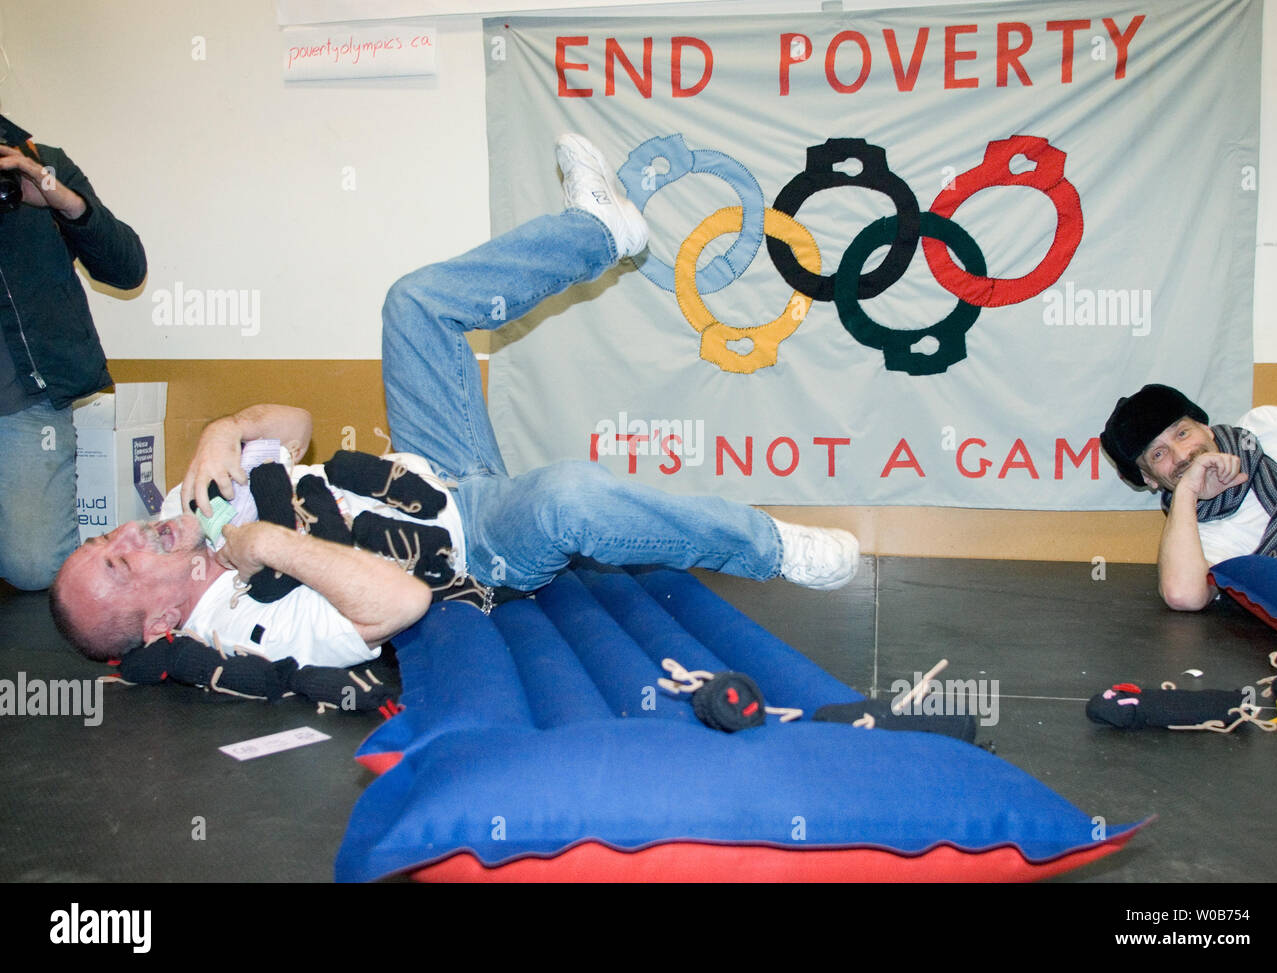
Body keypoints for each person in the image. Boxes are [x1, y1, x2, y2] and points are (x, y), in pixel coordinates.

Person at [49, 134, 859, 666]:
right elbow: (398, 601)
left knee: (412, 303)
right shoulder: (243, 619)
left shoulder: (201, 510)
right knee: (567, 497)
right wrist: (267, 541)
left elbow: (295, 429)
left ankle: (602, 232)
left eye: (108, 537)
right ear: (160, 624)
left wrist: (226, 430)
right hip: (475, 548)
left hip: (430, 466)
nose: (128, 530)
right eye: (120, 560)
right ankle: (772, 548)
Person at [0, 114, 147, 590]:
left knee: (34, 567)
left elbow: (126, 270)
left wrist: (61, 200)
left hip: (21, 403)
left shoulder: (43, 163)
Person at [1100, 383, 1277, 611]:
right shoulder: (1199, 538)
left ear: (1206, 428)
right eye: (1158, 454)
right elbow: (1182, 595)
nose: (1183, 455)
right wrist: (1187, 492)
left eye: (1183, 433)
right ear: (1150, 479)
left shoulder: (1266, 425)